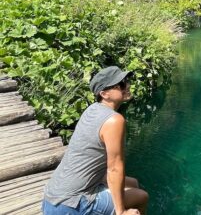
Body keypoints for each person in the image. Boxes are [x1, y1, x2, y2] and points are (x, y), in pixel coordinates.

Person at [42, 66, 149, 215]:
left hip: (51, 199)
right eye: (121, 85)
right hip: (70, 206)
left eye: (126, 81)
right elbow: (114, 168)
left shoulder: (92, 109)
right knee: (141, 197)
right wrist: (121, 211)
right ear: (104, 93)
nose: (128, 86)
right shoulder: (114, 120)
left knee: (133, 183)